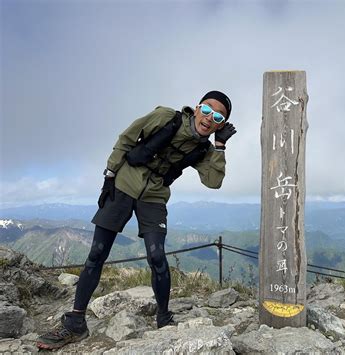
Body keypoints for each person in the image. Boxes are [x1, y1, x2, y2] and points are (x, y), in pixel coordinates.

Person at [36, 91, 236, 350]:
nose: (209, 117)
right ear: (197, 108)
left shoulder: (203, 149)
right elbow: (128, 137)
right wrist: (109, 175)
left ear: (220, 124)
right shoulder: (166, 116)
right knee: (97, 253)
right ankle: (75, 321)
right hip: (123, 184)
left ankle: (164, 319)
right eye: (207, 109)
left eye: (218, 116)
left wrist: (220, 147)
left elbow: (214, 182)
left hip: (154, 196)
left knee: (157, 257)